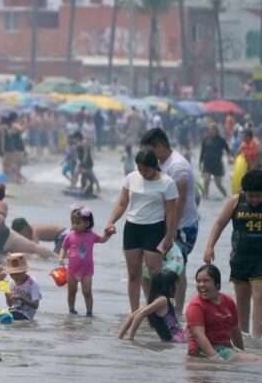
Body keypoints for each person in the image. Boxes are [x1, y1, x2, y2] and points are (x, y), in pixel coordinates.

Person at [202, 169, 262, 339]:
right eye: (251, 196)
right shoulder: (236, 201)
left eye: (258, 196)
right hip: (240, 258)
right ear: (244, 192)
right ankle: (243, 336)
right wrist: (209, 247)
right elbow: (219, 224)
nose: (255, 200)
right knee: (242, 300)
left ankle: (257, 338)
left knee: (261, 294)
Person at [105, 149, 178, 312]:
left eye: (146, 170)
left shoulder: (168, 183)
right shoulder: (131, 178)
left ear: (155, 166)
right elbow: (122, 203)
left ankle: (158, 313)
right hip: (132, 229)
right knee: (133, 274)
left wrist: (169, 235)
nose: (143, 173)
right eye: (140, 169)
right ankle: (134, 312)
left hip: (155, 230)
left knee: (155, 276)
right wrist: (111, 222)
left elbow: (171, 212)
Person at [141, 128, 198, 316]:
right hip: (164, 224)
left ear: (158, 146)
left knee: (178, 268)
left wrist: (171, 231)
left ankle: (178, 313)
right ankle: (157, 309)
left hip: (182, 226)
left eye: (149, 150)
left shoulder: (177, 167)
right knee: (151, 268)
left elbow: (180, 202)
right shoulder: (161, 163)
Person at [186, 265, 262, 362]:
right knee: (256, 360)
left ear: (217, 284)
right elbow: (199, 336)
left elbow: (235, 331)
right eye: (198, 281)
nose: (201, 284)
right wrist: (215, 357)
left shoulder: (228, 301)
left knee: (257, 359)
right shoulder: (196, 306)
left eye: (206, 281)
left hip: (224, 348)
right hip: (201, 350)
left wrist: (243, 352)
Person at [59, 206, 110, 316]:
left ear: (87, 223)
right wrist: (61, 258)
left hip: (86, 271)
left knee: (87, 292)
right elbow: (64, 248)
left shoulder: (91, 235)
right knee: (71, 292)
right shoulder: (70, 236)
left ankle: (89, 312)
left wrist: (108, 234)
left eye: (78, 223)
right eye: (73, 223)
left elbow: (102, 240)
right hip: (72, 271)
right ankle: (71, 310)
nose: (75, 225)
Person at [118, 270, 187, 342]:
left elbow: (132, 316)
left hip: (171, 339)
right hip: (178, 338)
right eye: (175, 285)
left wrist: (120, 336)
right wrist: (130, 337)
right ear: (166, 286)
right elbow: (140, 315)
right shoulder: (163, 300)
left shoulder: (154, 302)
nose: (177, 287)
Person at [3, 253, 41, 321]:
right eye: (12, 274)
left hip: (26, 315)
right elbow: (10, 305)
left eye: (17, 274)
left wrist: (21, 298)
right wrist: (8, 299)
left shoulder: (32, 284)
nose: (14, 277)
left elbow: (36, 305)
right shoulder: (11, 282)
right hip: (14, 310)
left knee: (12, 315)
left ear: (24, 272)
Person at [198, 123, 230, 199]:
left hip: (217, 164)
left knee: (218, 184)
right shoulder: (205, 140)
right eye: (209, 129)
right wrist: (200, 162)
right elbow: (202, 151)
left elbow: (228, 150)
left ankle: (226, 195)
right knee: (206, 181)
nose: (211, 131)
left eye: (213, 129)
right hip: (207, 164)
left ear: (216, 130)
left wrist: (229, 157)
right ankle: (206, 196)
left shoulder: (221, 140)